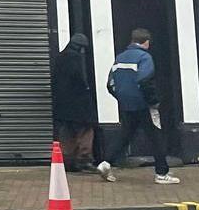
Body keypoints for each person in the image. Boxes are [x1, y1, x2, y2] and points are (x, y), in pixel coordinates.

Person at [97, 27, 180, 185]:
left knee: (125, 136)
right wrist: (153, 101)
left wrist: (122, 97)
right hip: (144, 105)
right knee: (156, 137)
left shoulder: (120, 58)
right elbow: (144, 80)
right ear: (146, 42)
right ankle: (162, 173)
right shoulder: (145, 57)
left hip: (127, 105)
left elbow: (110, 84)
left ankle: (105, 163)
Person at [49, 33, 96, 169]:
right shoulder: (76, 58)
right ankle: (84, 159)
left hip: (62, 104)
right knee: (86, 130)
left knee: (67, 131)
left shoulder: (59, 57)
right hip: (79, 103)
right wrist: (86, 89)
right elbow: (80, 79)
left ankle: (67, 160)